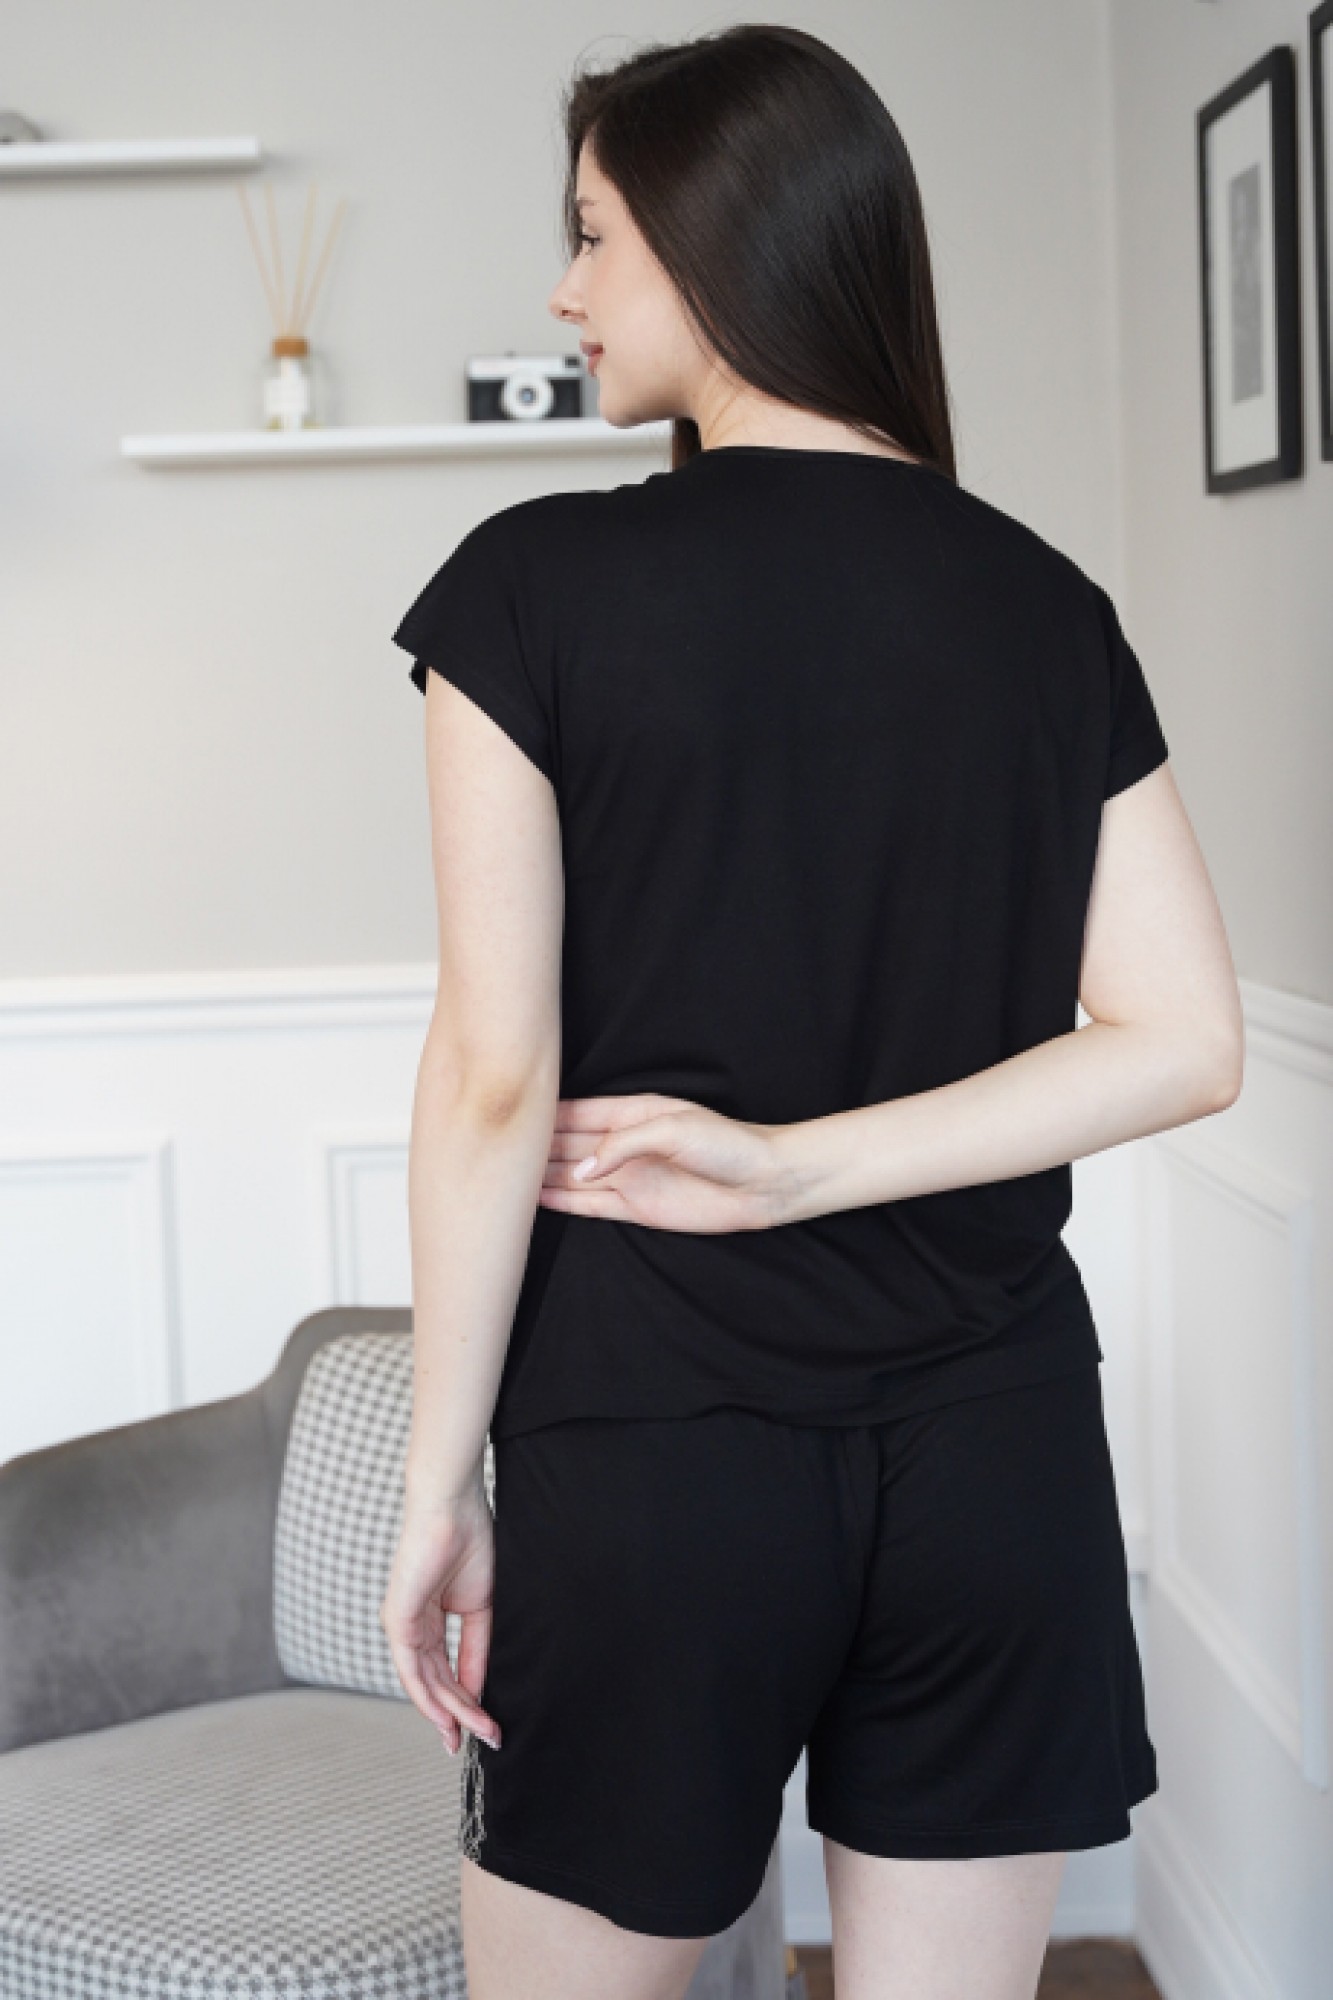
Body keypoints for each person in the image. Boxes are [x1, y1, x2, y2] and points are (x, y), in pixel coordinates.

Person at [378, 24, 1244, 2000]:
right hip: (996, 1453)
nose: (564, 290)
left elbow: (498, 1075)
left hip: (652, 1457)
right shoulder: (1043, 603)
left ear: (717, 241)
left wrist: (436, 1487)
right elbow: (1185, 1039)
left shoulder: (529, 585)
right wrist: (793, 1167)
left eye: (592, 235)